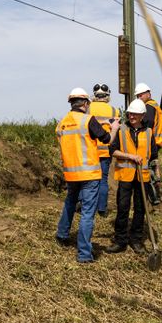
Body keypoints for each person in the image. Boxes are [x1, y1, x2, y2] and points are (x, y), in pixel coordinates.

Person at [55, 87, 117, 263]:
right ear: (85, 103)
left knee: (69, 202)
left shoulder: (61, 123)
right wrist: (114, 128)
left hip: (71, 173)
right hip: (89, 173)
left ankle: (62, 235)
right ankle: (84, 254)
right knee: (88, 213)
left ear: (71, 103)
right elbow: (107, 140)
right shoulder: (88, 120)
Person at [105, 99, 155, 255]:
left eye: (135, 114)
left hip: (143, 177)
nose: (132, 116)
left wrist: (155, 172)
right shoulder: (121, 130)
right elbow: (112, 151)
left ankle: (136, 240)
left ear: (142, 116)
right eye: (130, 113)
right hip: (126, 175)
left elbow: (153, 155)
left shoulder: (148, 132)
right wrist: (130, 156)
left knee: (140, 209)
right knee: (123, 208)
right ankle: (120, 241)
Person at [87, 84, 121, 218]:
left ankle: (88, 205)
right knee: (103, 179)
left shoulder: (88, 109)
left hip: (91, 150)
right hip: (106, 150)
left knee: (89, 179)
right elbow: (116, 130)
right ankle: (102, 209)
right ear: (107, 96)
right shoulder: (114, 111)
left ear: (95, 95)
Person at [134, 83, 162, 204]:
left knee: (149, 171)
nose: (139, 98)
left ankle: (153, 197)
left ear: (148, 93)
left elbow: (147, 123)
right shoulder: (156, 106)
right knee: (154, 168)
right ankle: (156, 195)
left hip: (151, 143)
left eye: (141, 95)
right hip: (157, 142)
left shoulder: (149, 107)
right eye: (138, 96)